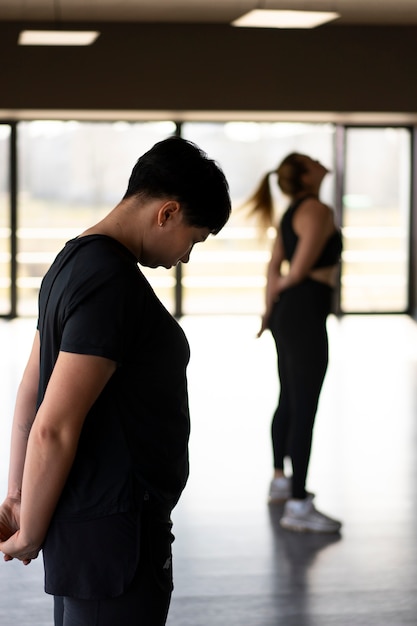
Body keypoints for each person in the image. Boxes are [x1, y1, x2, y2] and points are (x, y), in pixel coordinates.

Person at [0, 136, 231, 625]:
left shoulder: (72, 260)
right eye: (194, 238)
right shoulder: (111, 281)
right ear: (167, 212)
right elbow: (55, 423)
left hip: (96, 526)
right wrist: (30, 532)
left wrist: (20, 497)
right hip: (113, 535)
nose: (186, 256)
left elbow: (31, 391)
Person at [247, 152, 342, 533]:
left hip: (290, 315)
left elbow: (274, 267)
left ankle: (282, 482)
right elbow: (296, 270)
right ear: (305, 175)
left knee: (289, 397)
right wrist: (283, 292)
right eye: (313, 161)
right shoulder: (317, 210)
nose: (321, 163)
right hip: (305, 313)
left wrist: (270, 309)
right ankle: (299, 505)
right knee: (305, 405)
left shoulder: (290, 213)